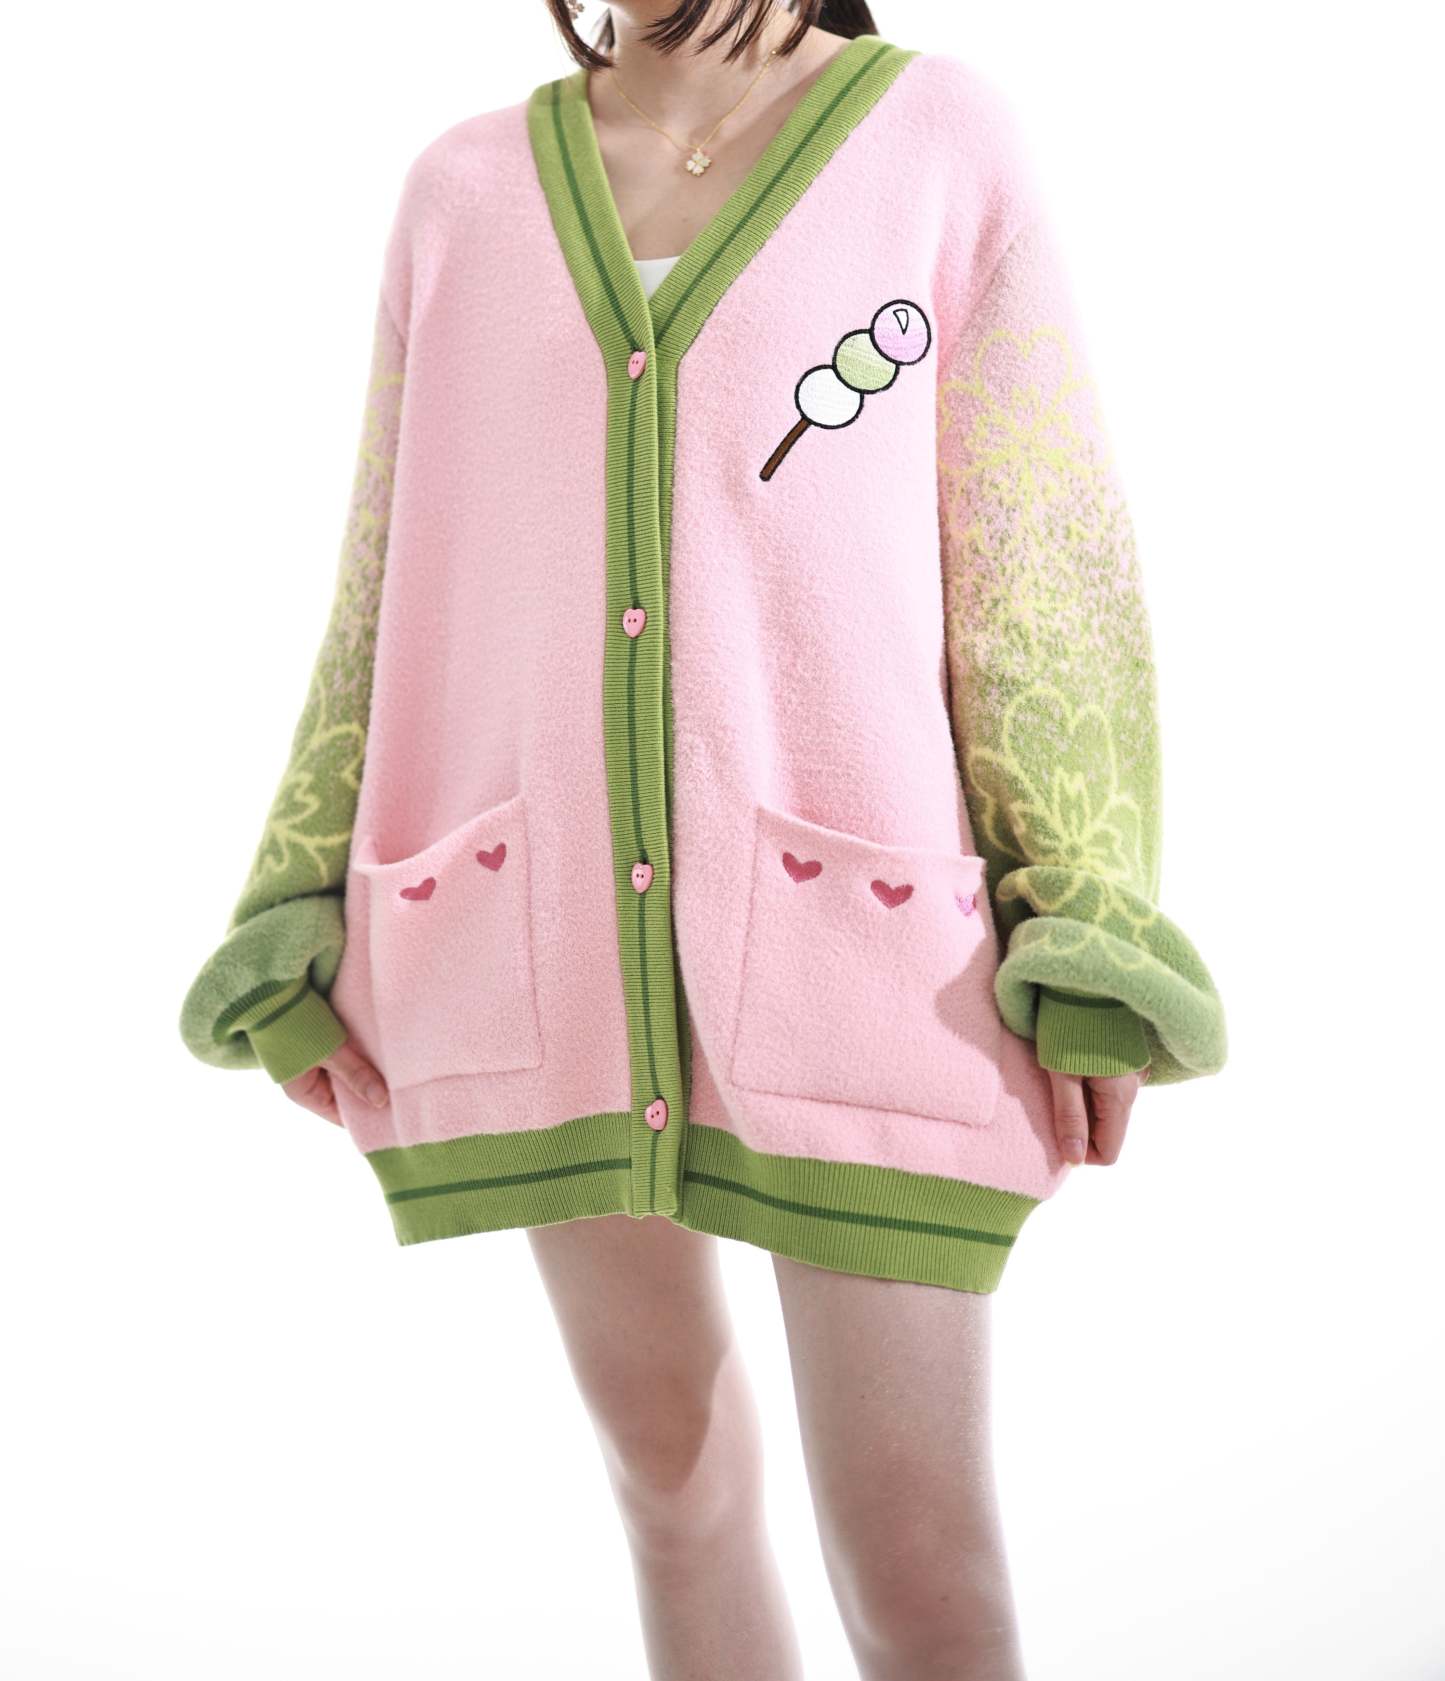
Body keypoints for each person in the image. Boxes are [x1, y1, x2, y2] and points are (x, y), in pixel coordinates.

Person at [178, 2, 1227, 1675]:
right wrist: (291, 894)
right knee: (670, 1482)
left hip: (869, 952)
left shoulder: (939, 141)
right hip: (547, 940)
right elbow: (387, 575)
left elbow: (1041, 560)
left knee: (917, 1564)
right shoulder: (462, 191)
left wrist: (1087, 909)